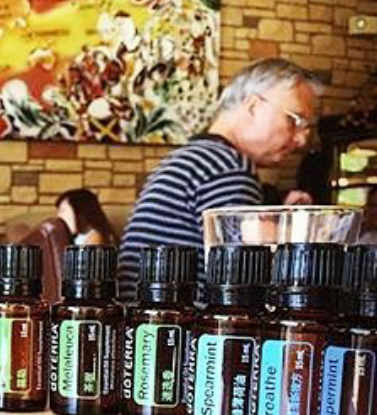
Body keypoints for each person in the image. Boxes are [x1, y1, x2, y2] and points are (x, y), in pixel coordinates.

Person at [118, 58, 320, 299]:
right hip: (174, 319)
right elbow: (244, 284)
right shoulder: (226, 166)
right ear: (253, 107)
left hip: (145, 315)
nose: (302, 140)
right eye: (295, 120)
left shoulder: (195, 158)